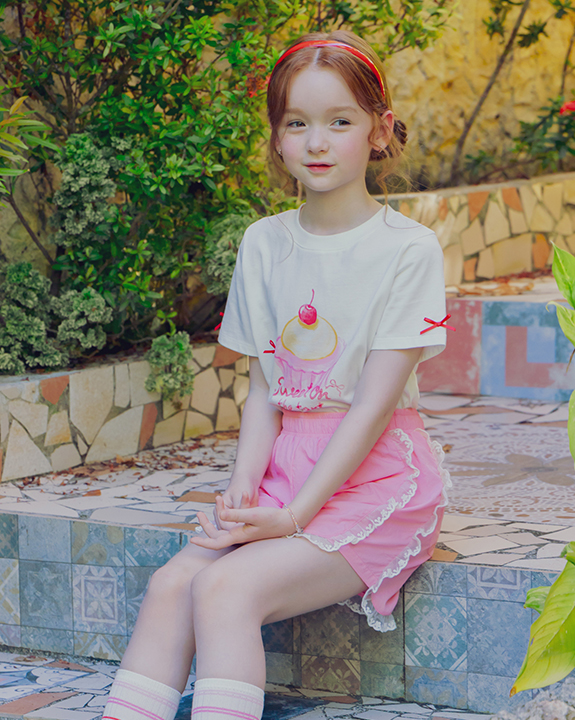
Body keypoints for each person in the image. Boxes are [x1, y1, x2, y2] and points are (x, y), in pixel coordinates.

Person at [102, 30, 451, 720]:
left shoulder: (408, 250)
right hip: (283, 472)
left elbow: (372, 408)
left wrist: (293, 516)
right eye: (297, 123)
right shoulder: (264, 243)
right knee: (173, 584)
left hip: (376, 479)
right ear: (277, 138)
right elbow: (265, 387)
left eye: (340, 122)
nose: (317, 142)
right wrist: (243, 491)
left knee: (225, 589)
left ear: (380, 131)